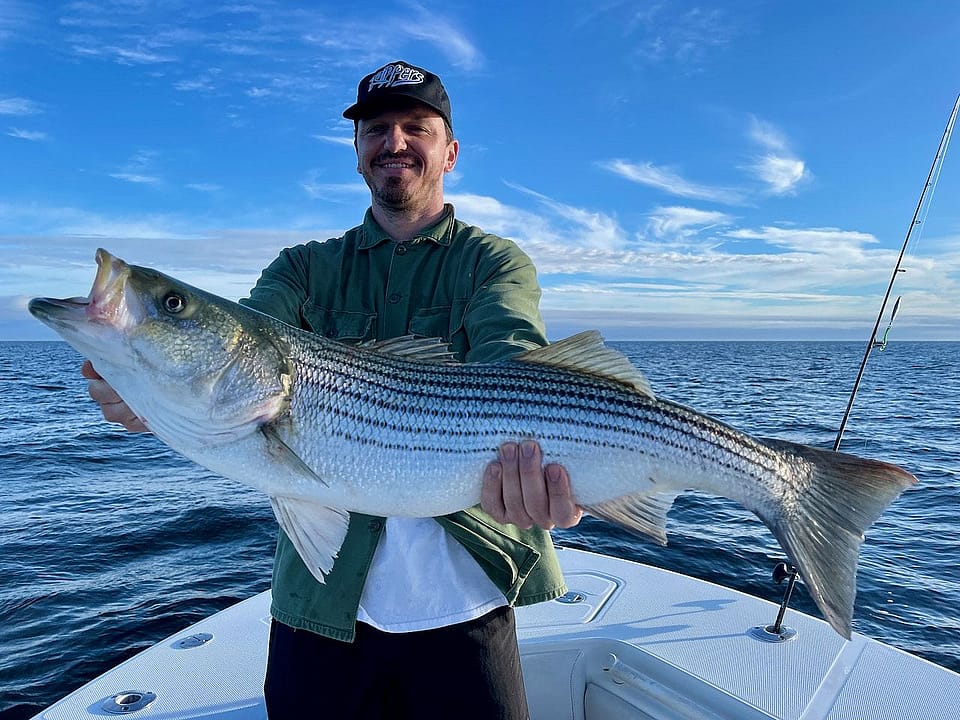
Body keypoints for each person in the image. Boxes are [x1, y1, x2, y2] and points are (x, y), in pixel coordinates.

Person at [82, 60, 582, 719]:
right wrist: (148, 392)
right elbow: (239, 350)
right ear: (356, 153)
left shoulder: (492, 262)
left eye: (416, 127)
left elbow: (511, 355)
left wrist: (550, 467)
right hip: (320, 614)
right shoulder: (302, 269)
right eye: (376, 129)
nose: (394, 142)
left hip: (468, 610)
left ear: (450, 152)